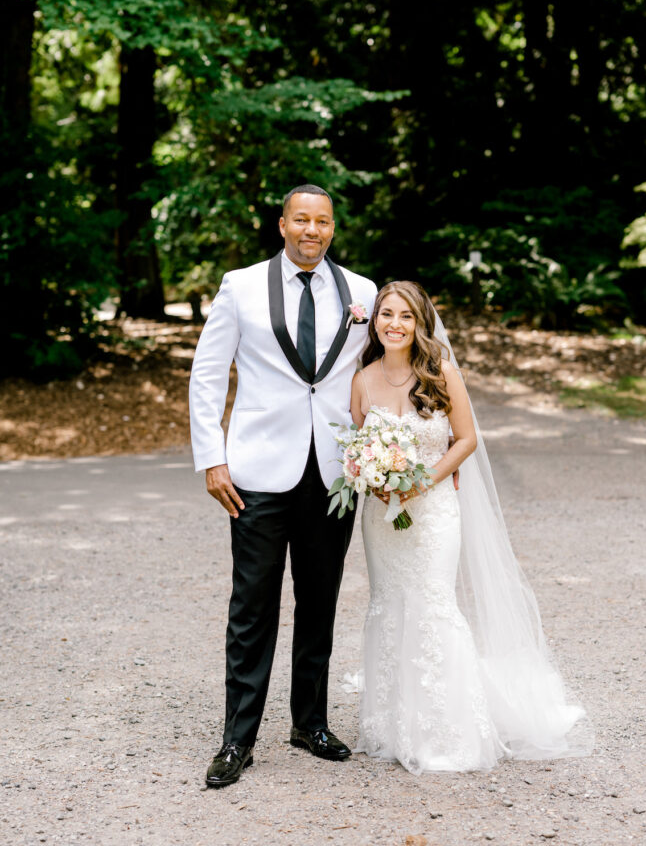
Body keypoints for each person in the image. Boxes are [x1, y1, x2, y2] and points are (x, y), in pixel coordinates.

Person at [349, 281, 590, 774]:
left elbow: (466, 439)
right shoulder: (363, 379)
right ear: (374, 321)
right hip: (381, 516)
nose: (394, 324)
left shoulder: (439, 371)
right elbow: (357, 445)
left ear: (420, 324)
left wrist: (422, 482)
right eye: (385, 314)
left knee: (433, 604)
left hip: (434, 508)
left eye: (406, 316)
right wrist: (369, 476)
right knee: (389, 605)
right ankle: (396, 724)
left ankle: (448, 728)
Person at [189, 184, 377, 788]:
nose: (312, 231)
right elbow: (209, 373)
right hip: (257, 474)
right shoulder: (239, 286)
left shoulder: (364, 294)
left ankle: (310, 723)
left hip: (333, 473)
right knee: (252, 608)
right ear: (282, 224)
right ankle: (237, 739)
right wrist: (211, 458)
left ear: (333, 229)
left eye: (322, 222)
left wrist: (395, 445)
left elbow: (382, 371)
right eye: (302, 220)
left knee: (319, 602)